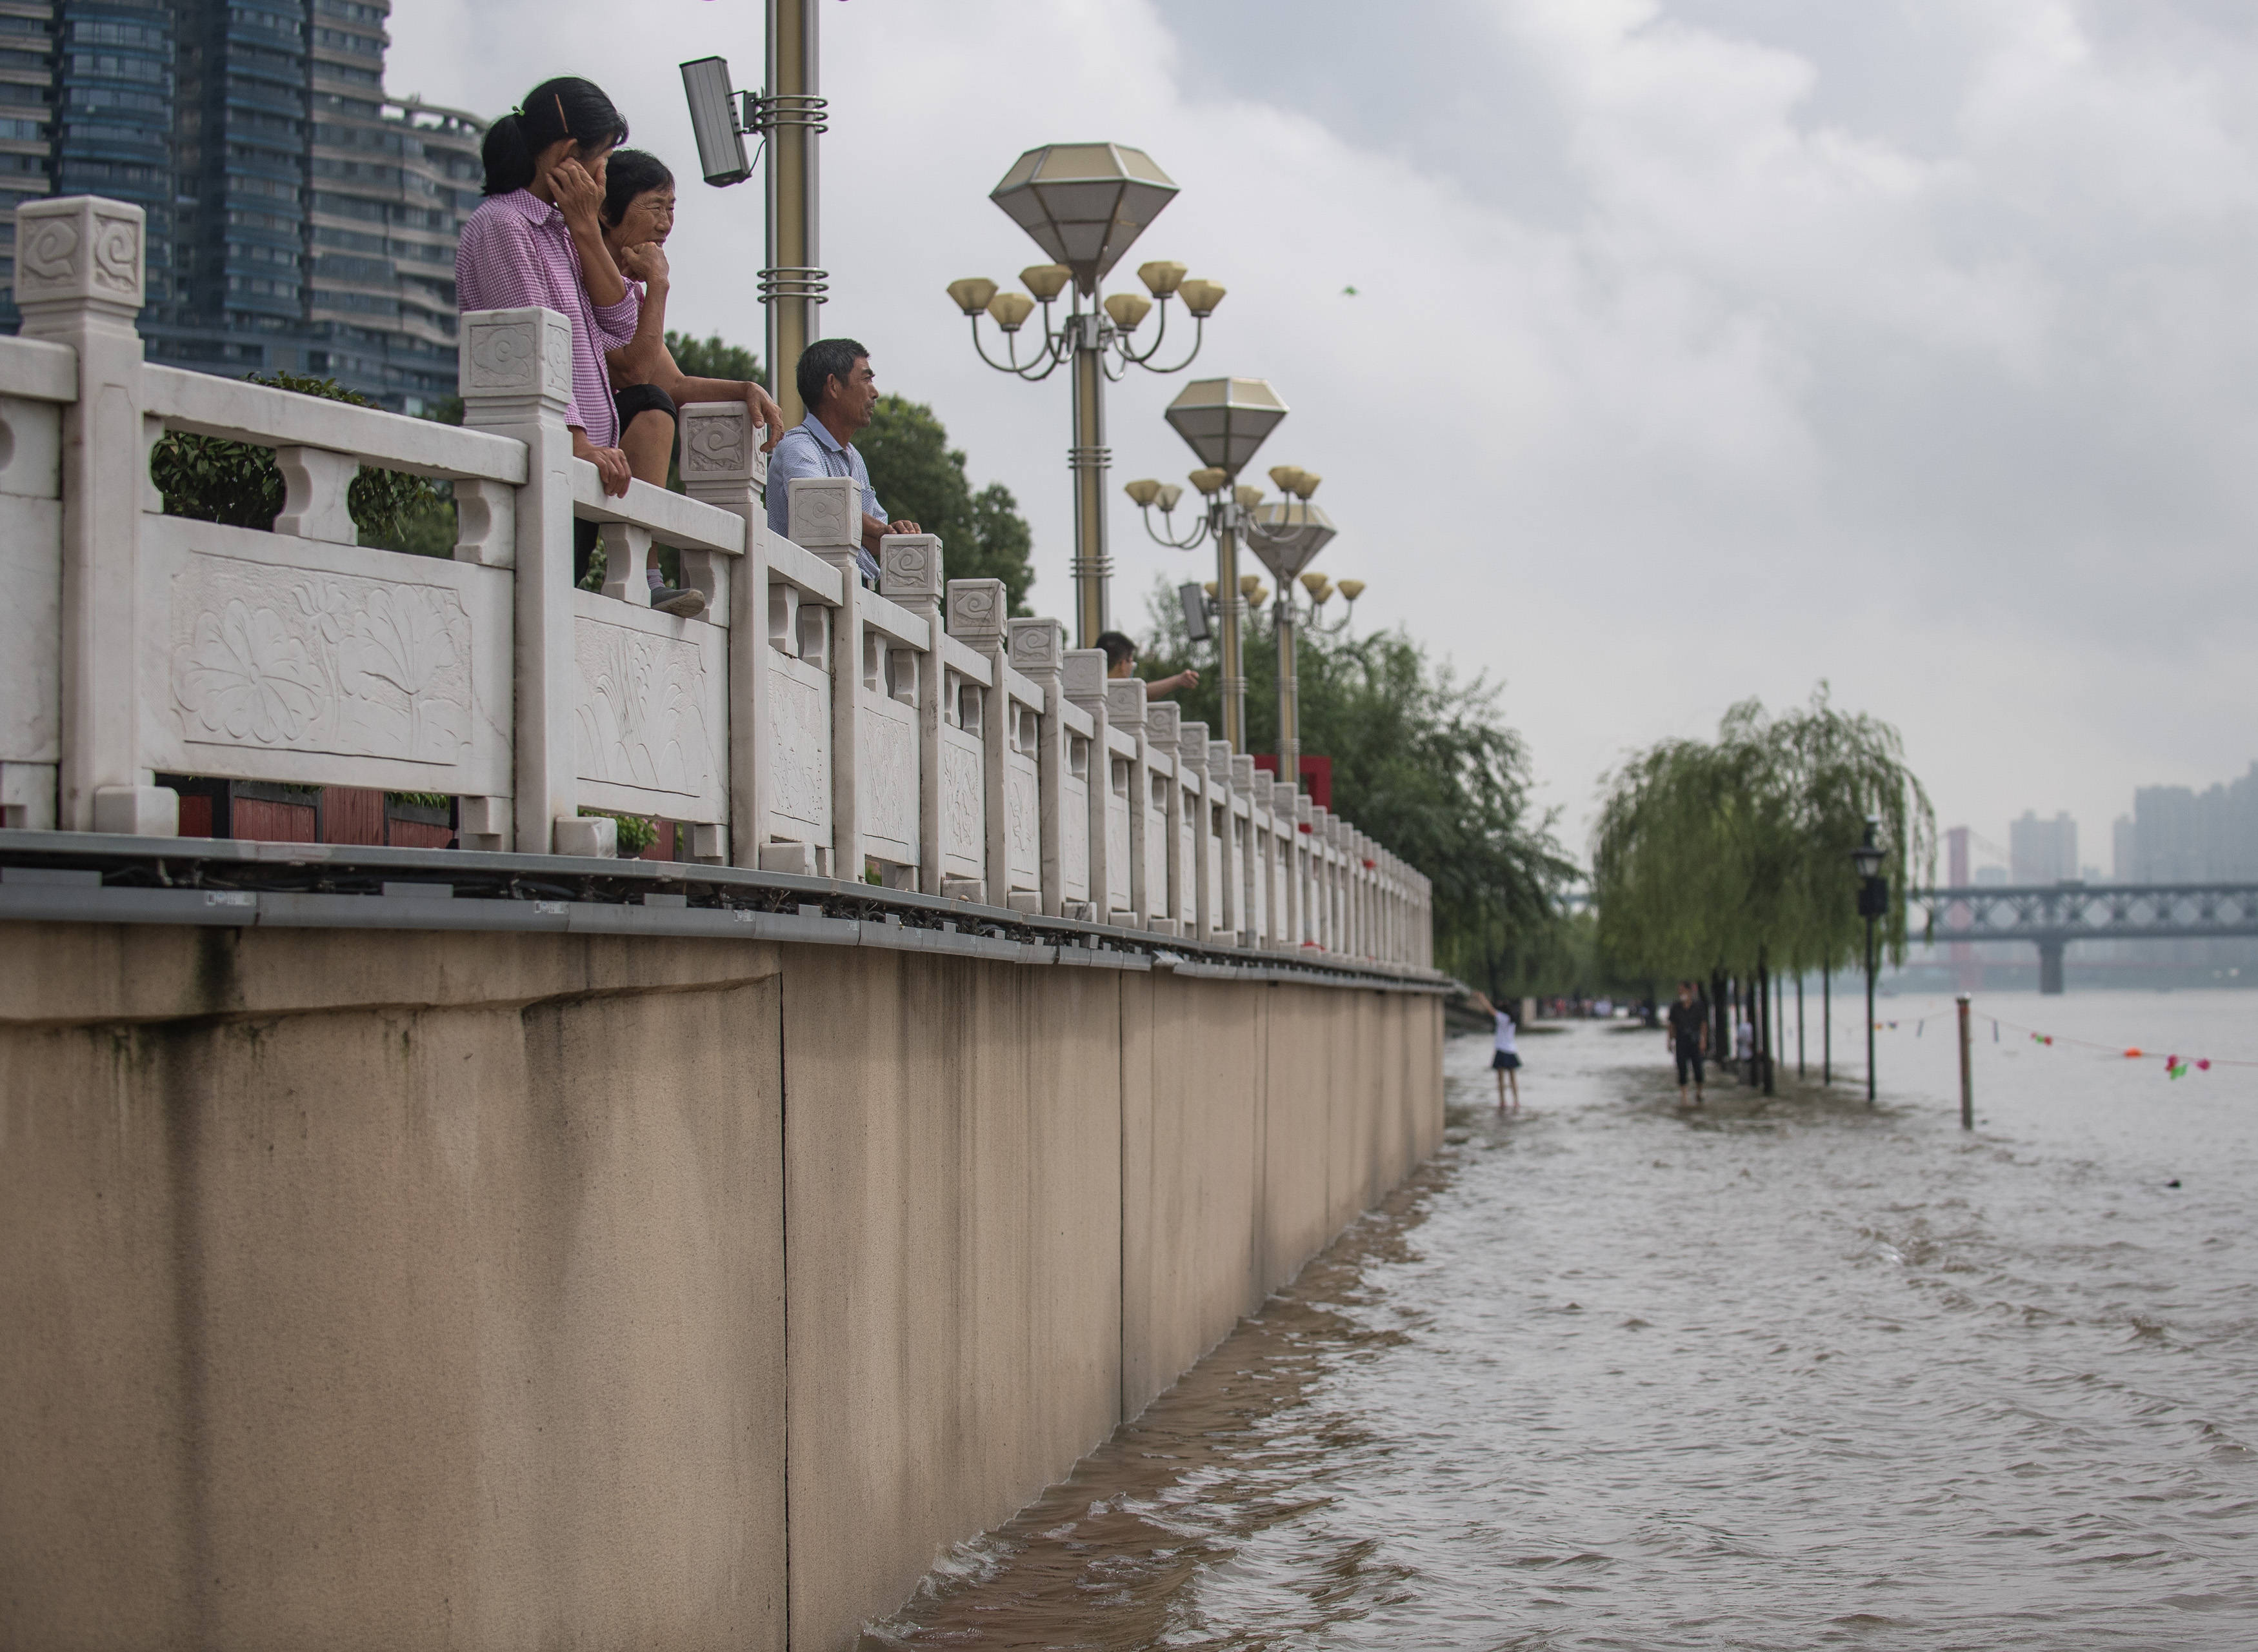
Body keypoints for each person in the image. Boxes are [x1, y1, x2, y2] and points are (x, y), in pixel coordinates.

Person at [455, 77, 637, 591]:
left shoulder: (561, 230)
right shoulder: (503, 226)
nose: (604, 180)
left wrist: (585, 229)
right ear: (566, 156)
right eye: (600, 162)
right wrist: (579, 443)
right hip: (544, 463)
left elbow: (620, 326)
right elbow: (531, 350)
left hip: (574, 472)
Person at [595, 148, 787, 615]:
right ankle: (645, 576)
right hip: (579, 438)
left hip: (600, 448)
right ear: (606, 209)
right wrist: (658, 285)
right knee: (650, 406)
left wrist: (744, 389)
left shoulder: (631, 285)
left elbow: (674, 381)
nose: (666, 223)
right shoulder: (590, 271)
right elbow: (641, 379)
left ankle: (648, 574)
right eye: (655, 206)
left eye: (672, 209)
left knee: (658, 398)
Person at [765, 339, 919, 585]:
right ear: (833, 386)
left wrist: (895, 535)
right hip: (805, 598)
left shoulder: (854, 458)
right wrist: (882, 530)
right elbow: (823, 510)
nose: (875, 392)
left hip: (847, 597)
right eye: (866, 379)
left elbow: (871, 539)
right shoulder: (798, 447)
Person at [1096, 631, 1200, 700]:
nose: (1132, 668)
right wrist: (1178, 680)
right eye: (1132, 663)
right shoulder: (1119, 696)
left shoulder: (1091, 689)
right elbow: (1144, 693)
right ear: (1123, 664)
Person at [1468, 990, 1521, 1112]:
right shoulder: (1512, 1021)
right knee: (1513, 1078)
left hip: (1502, 1050)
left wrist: (1482, 998)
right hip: (1512, 1050)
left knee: (1501, 1079)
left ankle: (1503, 1101)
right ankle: (1516, 1101)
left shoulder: (1502, 1018)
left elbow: (1490, 1009)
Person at [1666, 979, 1708, 1107]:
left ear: (1689, 991)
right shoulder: (1675, 1007)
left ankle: (1699, 1092)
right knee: (1682, 1068)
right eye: (1679, 991)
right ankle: (1684, 1096)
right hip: (1681, 1041)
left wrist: (1703, 1040)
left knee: (1698, 1069)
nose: (1680, 993)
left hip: (1695, 1041)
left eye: (1682, 990)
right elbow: (1672, 1025)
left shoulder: (1698, 1007)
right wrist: (1670, 1041)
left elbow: (1703, 1024)